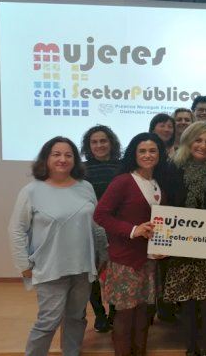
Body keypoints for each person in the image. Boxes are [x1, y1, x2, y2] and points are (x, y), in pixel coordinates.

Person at [9, 136, 106, 356]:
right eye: (56, 154)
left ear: (75, 160)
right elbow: (16, 230)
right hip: (49, 268)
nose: (63, 159)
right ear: (46, 158)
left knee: (76, 318)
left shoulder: (86, 187)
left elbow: (96, 225)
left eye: (68, 155)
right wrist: (23, 265)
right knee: (48, 321)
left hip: (82, 267)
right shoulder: (31, 191)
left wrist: (103, 254)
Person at [94, 133, 167, 356]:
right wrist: (134, 230)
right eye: (142, 151)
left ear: (160, 154)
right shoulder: (123, 181)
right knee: (125, 315)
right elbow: (100, 215)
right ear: (133, 155)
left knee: (144, 314)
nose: (147, 155)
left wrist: (165, 245)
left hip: (150, 260)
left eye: (152, 151)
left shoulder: (159, 183)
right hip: (125, 260)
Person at [164, 122, 206, 356]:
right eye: (198, 140)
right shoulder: (172, 170)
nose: (203, 146)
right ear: (188, 141)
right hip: (181, 245)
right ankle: (190, 348)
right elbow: (165, 205)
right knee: (187, 301)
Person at [81, 124, 122, 332]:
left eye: (103, 141)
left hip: (117, 228)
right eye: (94, 142)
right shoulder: (81, 169)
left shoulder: (123, 166)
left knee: (115, 273)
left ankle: (115, 312)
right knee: (93, 274)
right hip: (90, 228)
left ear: (111, 143)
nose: (99, 145)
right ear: (88, 146)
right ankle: (99, 315)